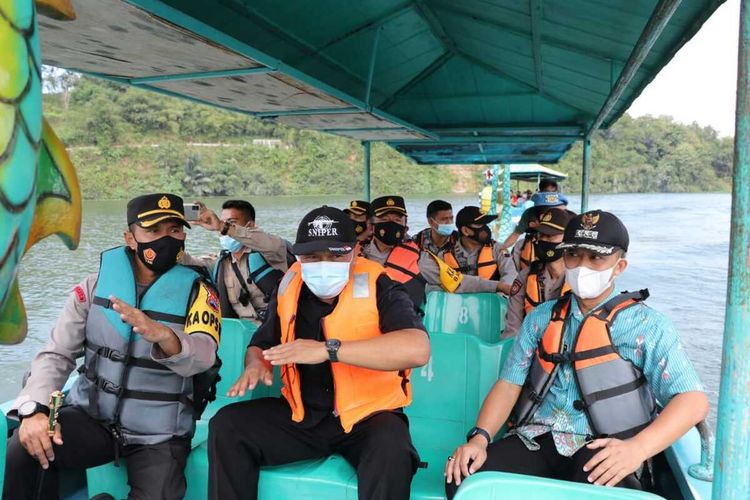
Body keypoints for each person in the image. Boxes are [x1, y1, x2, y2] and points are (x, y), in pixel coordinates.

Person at [445, 210, 708, 497]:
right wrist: (480, 438)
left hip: (605, 445)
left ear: (619, 266)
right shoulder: (541, 318)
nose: (582, 266)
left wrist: (637, 448)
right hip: (537, 437)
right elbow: (510, 383)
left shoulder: (647, 325)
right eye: (573, 255)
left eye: (596, 258)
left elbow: (692, 400)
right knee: (463, 479)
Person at [3, 194, 221, 499]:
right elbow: (57, 352)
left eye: (174, 230)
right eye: (153, 231)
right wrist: (34, 409)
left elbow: (203, 356)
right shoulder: (95, 287)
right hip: (94, 417)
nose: (166, 239)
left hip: (159, 433)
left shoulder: (200, 291)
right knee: (24, 447)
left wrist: (163, 336)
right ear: (130, 238)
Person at [207, 206, 430, 500]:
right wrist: (255, 363)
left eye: (336, 255)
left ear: (355, 252)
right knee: (227, 425)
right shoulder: (289, 287)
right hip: (303, 417)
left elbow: (417, 348)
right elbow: (262, 342)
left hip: (369, 417)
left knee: (393, 448)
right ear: (299, 257)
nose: (323, 264)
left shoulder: (382, 287)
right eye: (312, 257)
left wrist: (328, 350)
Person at [182, 199, 290, 325]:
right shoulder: (221, 263)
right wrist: (171, 230)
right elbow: (186, 261)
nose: (222, 228)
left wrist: (223, 226)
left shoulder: (272, 250)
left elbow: (262, 240)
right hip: (242, 335)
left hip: (278, 330)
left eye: (231, 222)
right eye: (222, 220)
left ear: (249, 226)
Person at [502, 209, 574, 338]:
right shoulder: (524, 277)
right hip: (528, 350)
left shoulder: (581, 280)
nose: (543, 240)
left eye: (550, 235)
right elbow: (513, 329)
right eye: (541, 235)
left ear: (569, 239)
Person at [419, 206, 516, 295]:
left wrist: (502, 292)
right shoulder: (444, 255)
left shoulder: (497, 249)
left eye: (485, 224)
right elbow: (438, 285)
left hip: (492, 304)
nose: (485, 229)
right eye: (479, 225)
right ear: (465, 230)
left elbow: (510, 274)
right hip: (459, 308)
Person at [361, 196, 426, 308]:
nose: (391, 225)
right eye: (384, 219)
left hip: (403, 321)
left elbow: (455, 281)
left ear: (405, 227)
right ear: (370, 226)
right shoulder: (354, 257)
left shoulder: (420, 258)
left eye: (397, 220)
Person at [505, 191, 570, 271]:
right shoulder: (529, 214)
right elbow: (516, 234)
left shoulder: (570, 218)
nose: (551, 216)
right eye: (547, 213)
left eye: (557, 213)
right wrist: (501, 248)